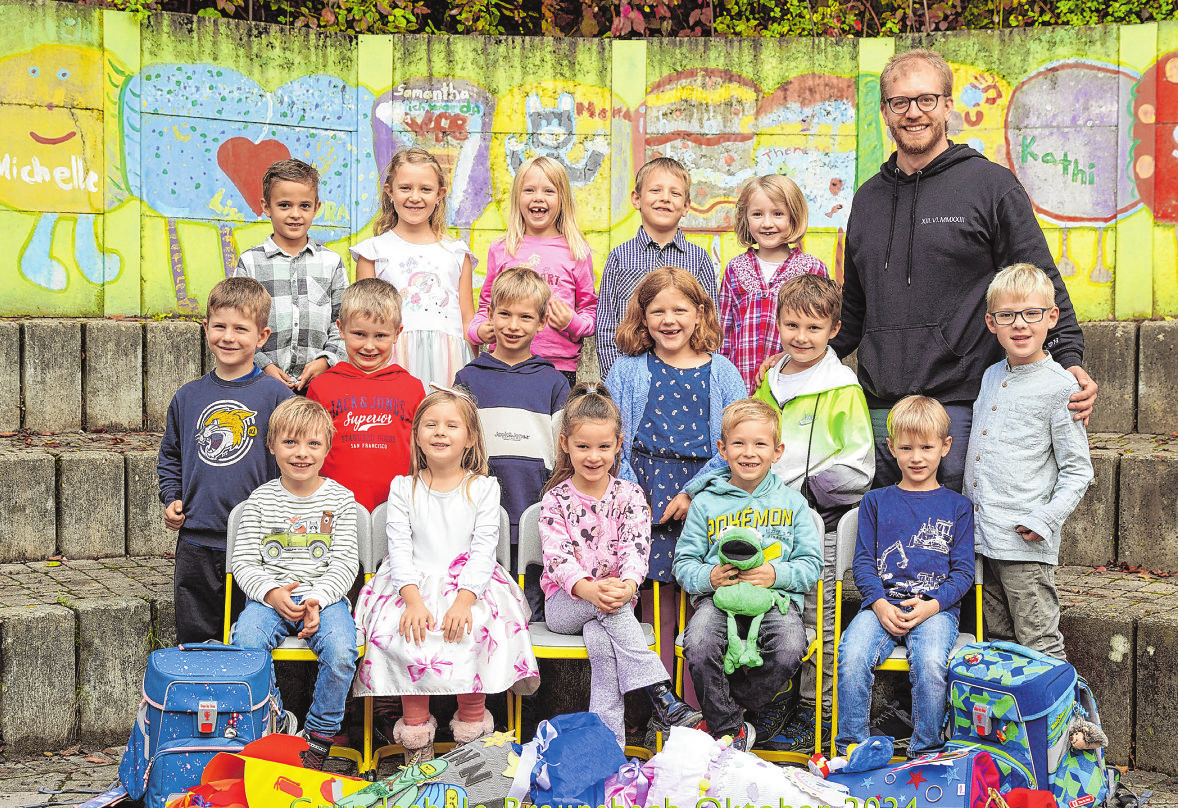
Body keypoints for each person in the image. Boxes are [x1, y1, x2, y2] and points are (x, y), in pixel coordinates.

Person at [826, 48, 1097, 492]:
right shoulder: (867, 200)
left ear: (948, 106)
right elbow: (854, 309)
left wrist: (1069, 358)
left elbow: (1040, 281)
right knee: (885, 548)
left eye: (926, 99)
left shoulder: (991, 186)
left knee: (954, 547)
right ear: (885, 112)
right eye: (900, 102)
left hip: (962, 406)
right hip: (877, 411)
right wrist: (799, 364)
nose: (914, 113)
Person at [352, 388, 539, 765]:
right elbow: (399, 548)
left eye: (452, 425)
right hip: (409, 583)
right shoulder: (404, 487)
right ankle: (416, 742)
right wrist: (413, 600)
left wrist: (465, 600)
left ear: (469, 437)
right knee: (404, 631)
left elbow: (483, 549)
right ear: (417, 435)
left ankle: (469, 740)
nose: (440, 432)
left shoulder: (482, 487)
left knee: (476, 627)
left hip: (470, 583)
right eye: (431, 425)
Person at [539, 383, 704, 748]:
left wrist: (628, 586)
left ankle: (607, 747)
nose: (593, 456)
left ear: (618, 445)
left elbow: (636, 550)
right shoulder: (555, 500)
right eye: (583, 446)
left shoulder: (629, 495)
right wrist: (589, 589)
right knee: (609, 613)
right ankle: (660, 692)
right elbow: (558, 558)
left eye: (603, 446)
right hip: (567, 604)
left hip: (614, 602)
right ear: (565, 444)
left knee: (603, 641)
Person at [751, 273, 874, 748]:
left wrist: (807, 491)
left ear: (834, 329)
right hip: (768, 523)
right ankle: (774, 699)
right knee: (774, 614)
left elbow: (859, 464)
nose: (801, 338)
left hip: (818, 523)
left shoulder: (841, 387)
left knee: (816, 619)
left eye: (813, 328)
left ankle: (814, 706)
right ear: (778, 323)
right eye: (792, 325)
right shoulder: (769, 378)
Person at [605, 267, 746, 679]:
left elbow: (734, 442)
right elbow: (613, 436)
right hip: (643, 492)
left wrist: (692, 494)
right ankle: (661, 705)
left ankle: (697, 707)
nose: (670, 320)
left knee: (703, 606)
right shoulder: (629, 370)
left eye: (680, 310)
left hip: (703, 497)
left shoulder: (722, 371)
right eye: (658, 311)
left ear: (700, 313)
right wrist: (634, 495)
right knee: (656, 608)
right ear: (643, 316)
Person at [674, 398, 822, 752]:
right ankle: (731, 730)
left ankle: (728, 707)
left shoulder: (793, 503)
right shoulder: (707, 503)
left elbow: (812, 565)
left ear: (777, 451)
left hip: (775, 601)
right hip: (717, 601)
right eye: (738, 443)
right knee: (698, 644)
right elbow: (683, 563)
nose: (749, 453)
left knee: (789, 647)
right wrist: (709, 577)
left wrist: (775, 574)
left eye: (760, 444)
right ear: (723, 450)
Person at [964, 264, 1093, 660]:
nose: (1020, 325)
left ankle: (1068, 722)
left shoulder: (1060, 387)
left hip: (1025, 544)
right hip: (985, 542)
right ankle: (1014, 723)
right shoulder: (989, 377)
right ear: (991, 323)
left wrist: (1045, 520)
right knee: (999, 644)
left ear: (1051, 317)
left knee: (1039, 644)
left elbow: (1078, 470)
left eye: (1032, 314)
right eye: (1007, 316)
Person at [834, 396, 974, 758]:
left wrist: (932, 606)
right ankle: (852, 749)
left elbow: (963, 573)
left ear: (945, 447)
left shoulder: (958, 507)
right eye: (907, 447)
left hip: (935, 610)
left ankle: (926, 751)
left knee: (929, 663)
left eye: (926, 447)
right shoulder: (876, 501)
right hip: (882, 605)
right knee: (850, 655)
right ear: (891, 446)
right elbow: (863, 563)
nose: (917, 457)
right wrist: (879, 605)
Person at [158, 277, 293, 645]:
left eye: (240, 328)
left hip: (258, 542)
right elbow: (170, 456)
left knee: (251, 639)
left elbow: (296, 463)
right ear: (206, 328)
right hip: (197, 541)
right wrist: (171, 498)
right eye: (219, 326)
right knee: (196, 636)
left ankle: (251, 702)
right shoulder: (188, 397)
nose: (228, 337)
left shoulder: (277, 396)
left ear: (262, 336)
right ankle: (201, 700)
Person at [230, 397, 359, 770]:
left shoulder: (340, 499)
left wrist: (317, 600)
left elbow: (345, 561)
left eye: (313, 444)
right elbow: (244, 562)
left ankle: (318, 737)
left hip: (326, 599)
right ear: (272, 446)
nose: (301, 454)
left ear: (327, 448)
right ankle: (276, 722)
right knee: (247, 642)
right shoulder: (260, 500)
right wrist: (271, 593)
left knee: (340, 652)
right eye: (290, 443)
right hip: (268, 598)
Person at [454, 266, 569, 619]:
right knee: (487, 612)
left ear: (541, 323)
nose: (513, 325)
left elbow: (562, 453)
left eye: (525, 317)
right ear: (489, 315)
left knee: (531, 615)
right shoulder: (469, 377)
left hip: (534, 513)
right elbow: (457, 446)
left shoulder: (552, 382)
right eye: (504, 314)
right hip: (480, 517)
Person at [352, 147, 476, 389]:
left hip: (449, 360)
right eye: (405, 188)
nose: (415, 197)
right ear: (389, 191)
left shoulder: (457, 253)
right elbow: (362, 320)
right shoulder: (372, 252)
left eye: (425, 189)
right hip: (392, 360)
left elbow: (466, 319)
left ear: (440, 194)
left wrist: (472, 371)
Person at [468, 156, 597, 387]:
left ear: (563, 199)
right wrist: (478, 331)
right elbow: (485, 306)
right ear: (518, 197)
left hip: (558, 368)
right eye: (529, 190)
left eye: (549, 191)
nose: (538, 197)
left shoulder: (577, 251)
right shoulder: (502, 248)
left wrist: (572, 323)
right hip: (505, 363)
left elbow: (590, 310)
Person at [306, 278, 426, 512]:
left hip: (398, 511)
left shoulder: (412, 387)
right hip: (331, 508)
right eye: (359, 334)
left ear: (396, 333)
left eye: (380, 336)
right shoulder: (321, 386)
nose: (369, 346)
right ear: (340, 329)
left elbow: (421, 454)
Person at [231, 158, 347, 392]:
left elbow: (344, 322)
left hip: (318, 386)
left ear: (316, 207)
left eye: (304, 206)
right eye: (284, 205)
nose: (295, 214)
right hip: (260, 382)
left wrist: (325, 360)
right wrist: (263, 365)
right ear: (266, 207)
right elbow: (237, 323)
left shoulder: (331, 263)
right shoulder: (250, 263)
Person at [596, 157, 718, 379]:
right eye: (655, 190)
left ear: (686, 206)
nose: (665, 198)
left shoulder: (699, 259)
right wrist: (616, 378)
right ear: (637, 198)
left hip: (687, 377)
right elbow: (606, 326)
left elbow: (710, 323)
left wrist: (703, 375)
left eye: (675, 193)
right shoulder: (619, 257)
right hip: (632, 376)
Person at [720, 175, 828, 394]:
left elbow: (822, 332)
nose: (767, 223)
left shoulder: (812, 269)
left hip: (792, 384)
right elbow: (724, 332)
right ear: (746, 218)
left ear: (793, 217)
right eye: (757, 214)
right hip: (740, 386)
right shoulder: (736, 268)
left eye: (778, 214)